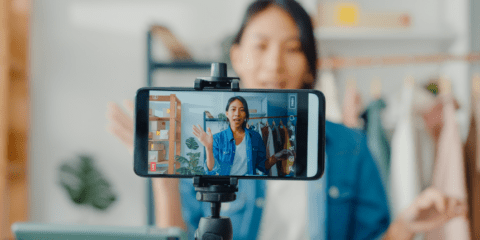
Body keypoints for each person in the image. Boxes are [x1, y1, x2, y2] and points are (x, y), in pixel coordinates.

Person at [107, 0, 467, 239]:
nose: (275, 64)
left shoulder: (349, 148)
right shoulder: (212, 147)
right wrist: (165, 182)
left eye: (293, 49)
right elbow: (178, 234)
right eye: (261, 46)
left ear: (310, 62)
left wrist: (406, 227)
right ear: (237, 55)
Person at [192, 96, 292, 176]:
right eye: (233, 109)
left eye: (242, 110)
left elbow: (262, 166)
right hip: (225, 185)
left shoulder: (255, 137)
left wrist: (276, 157)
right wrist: (208, 148)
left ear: (246, 115)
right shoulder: (217, 139)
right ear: (227, 113)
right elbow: (211, 170)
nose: (237, 114)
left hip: (249, 186)